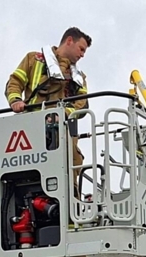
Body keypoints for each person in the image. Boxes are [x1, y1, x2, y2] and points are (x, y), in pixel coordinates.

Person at [5, 28, 91, 196]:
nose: (82, 55)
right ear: (69, 41)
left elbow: (83, 103)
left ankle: (69, 209)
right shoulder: (34, 60)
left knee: (72, 162)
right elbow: (15, 82)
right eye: (81, 49)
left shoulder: (79, 77)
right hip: (30, 129)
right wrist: (15, 100)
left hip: (63, 132)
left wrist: (65, 113)